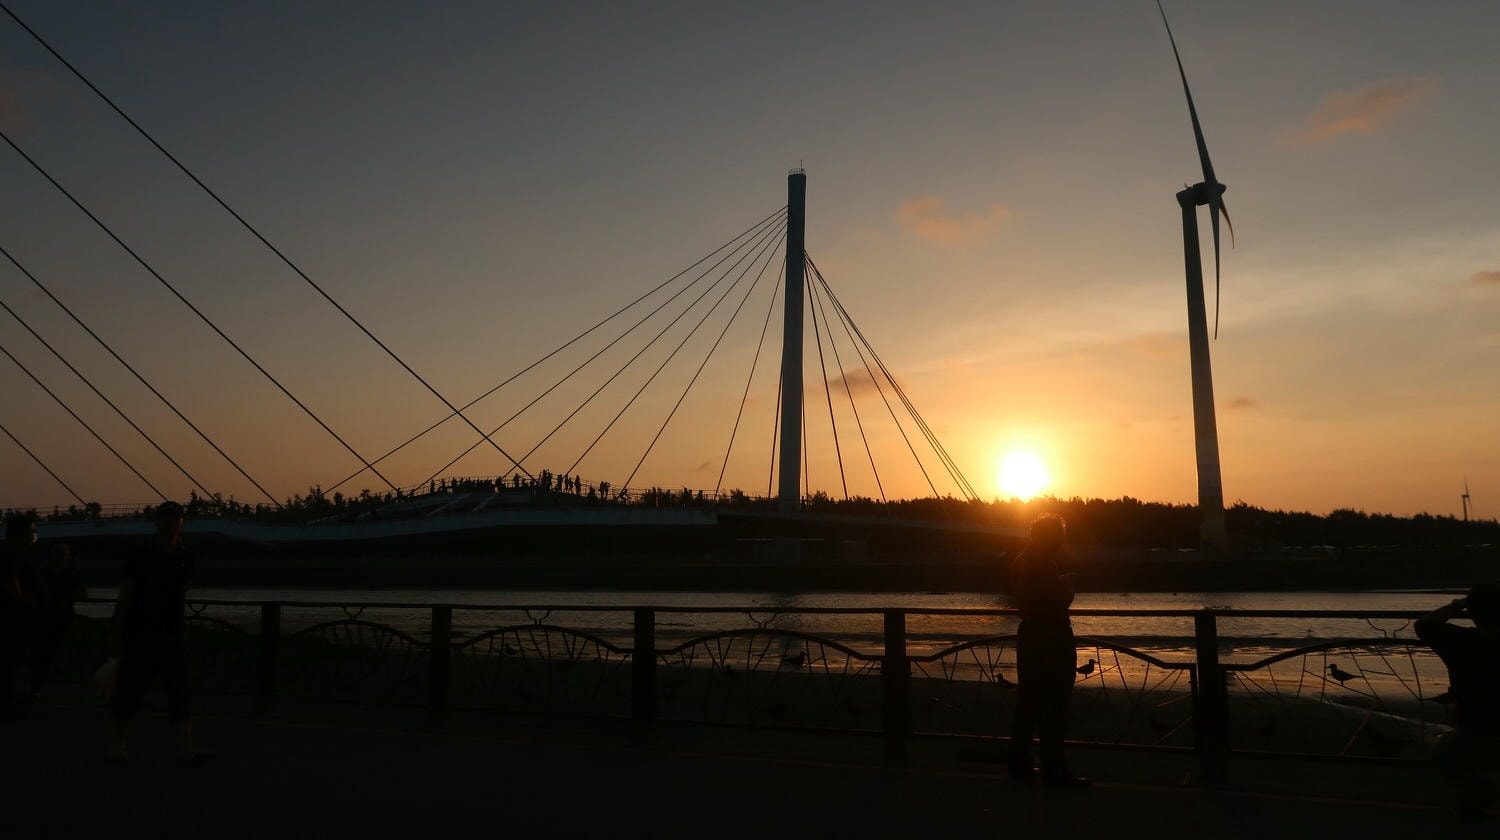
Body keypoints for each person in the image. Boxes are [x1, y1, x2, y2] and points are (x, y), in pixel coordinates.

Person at [106, 501, 210, 764]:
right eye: (166, 517)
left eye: (175, 518)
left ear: (182, 522)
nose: (171, 522)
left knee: (180, 690)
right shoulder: (141, 554)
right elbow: (126, 594)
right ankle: (118, 745)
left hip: (173, 632)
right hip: (140, 631)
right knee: (130, 690)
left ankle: (185, 749)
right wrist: (117, 631)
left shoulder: (186, 554)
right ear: (157, 522)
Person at [1007, 512, 1089, 786]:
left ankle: (1019, 763)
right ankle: (1054, 770)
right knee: (1055, 705)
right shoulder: (1044, 563)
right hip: (1052, 638)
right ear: (1049, 537)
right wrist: (1069, 587)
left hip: (1030, 636)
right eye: (1058, 538)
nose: (1061, 543)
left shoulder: (1021, 560)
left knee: (1028, 702)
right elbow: (1057, 601)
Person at [1415, 583, 1500, 820]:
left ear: (1473, 613)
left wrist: (1457, 605)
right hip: (1480, 735)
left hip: (1475, 733)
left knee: (1442, 752)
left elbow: (1424, 625)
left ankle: (1476, 793)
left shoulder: (1460, 641)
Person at [29, 542, 87, 702]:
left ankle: (36, 688)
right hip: (57, 617)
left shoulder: (44, 571)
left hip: (48, 618)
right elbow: (83, 593)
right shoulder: (71, 572)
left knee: (42, 654)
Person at [1, 513, 39, 718]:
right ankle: (6, 705)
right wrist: (22, 600)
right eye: (32, 530)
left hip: (13, 614)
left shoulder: (10, 550)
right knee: (10, 661)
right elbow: (10, 577)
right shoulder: (13, 551)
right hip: (12, 616)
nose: (34, 534)